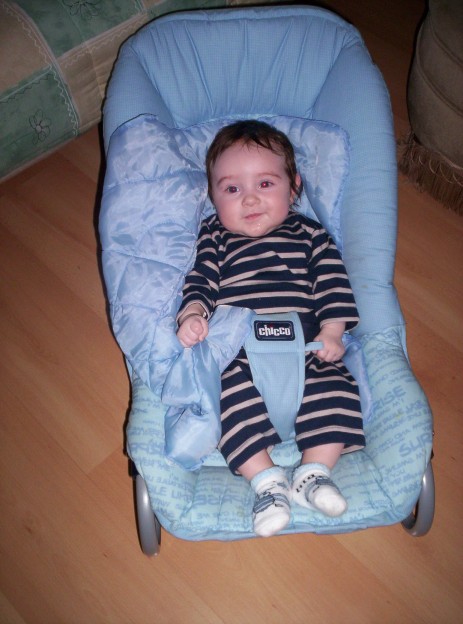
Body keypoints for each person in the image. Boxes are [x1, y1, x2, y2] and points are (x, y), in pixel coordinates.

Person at [176, 120, 365, 537]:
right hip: (239, 351)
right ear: (212, 197)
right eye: (231, 189)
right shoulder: (215, 236)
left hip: (305, 348)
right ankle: (266, 482)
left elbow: (333, 284)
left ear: (293, 187)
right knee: (219, 396)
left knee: (337, 386)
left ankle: (313, 473)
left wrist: (333, 332)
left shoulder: (310, 235)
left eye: (265, 183)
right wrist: (192, 314)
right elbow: (200, 280)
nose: (249, 199)